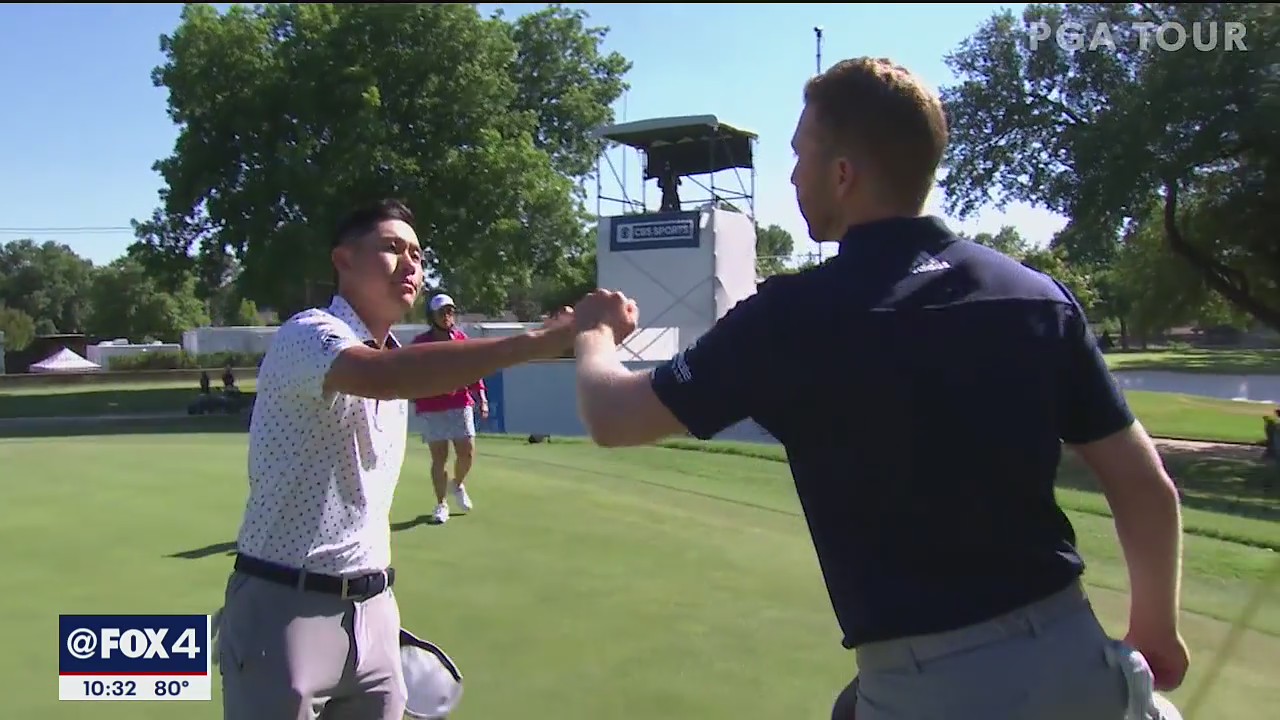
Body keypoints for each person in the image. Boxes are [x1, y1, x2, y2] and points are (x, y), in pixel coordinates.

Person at [569, 57, 1188, 719]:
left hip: (927, 687)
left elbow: (613, 415)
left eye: (800, 154)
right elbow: (1144, 488)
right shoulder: (1036, 299)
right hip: (1074, 656)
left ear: (843, 175)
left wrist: (593, 333)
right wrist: (1157, 634)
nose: (792, 174)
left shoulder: (789, 318)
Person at [216, 198, 574, 720]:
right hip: (284, 610)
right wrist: (537, 341)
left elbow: (399, 373)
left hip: (375, 615)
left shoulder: (391, 358)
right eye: (391, 249)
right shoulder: (309, 334)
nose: (411, 264)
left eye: (417, 254)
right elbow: (385, 377)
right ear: (343, 260)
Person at [411, 293, 489, 524]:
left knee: (467, 451)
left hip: (460, 402)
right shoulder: (420, 344)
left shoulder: (461, 339)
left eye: (450, 311)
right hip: (431, 405)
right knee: (439, 457)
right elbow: (409, 372)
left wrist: (482, 398)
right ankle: (441, 504)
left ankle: (458, 484)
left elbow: (474, 371)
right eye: (442, 312)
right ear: (432, 317)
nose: (447, 316)